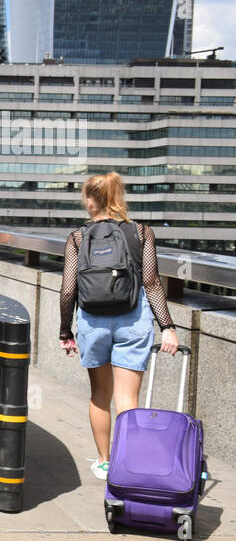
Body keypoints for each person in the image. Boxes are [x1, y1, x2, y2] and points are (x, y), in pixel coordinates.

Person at [59, 172, 179, 481]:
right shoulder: (141, 232)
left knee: (100, 394)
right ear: (118, 196)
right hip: (133, 318)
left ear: (89, 200)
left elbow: (69, 290)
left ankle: (103, 462)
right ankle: (127, 464)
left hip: (92, 321)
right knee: (128, 400)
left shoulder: (77, 237)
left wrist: (65, 332)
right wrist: (167, 326)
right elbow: (151, 282)